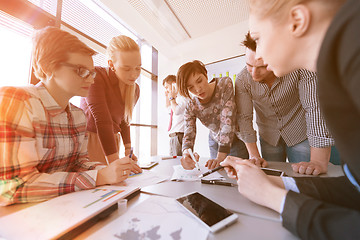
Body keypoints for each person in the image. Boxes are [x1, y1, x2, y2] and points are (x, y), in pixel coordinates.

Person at [221, 0, 360, 239]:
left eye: (259, 38)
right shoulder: (337, 62)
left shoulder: (351, 47)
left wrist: (271, 197)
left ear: (297, 21)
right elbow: (355, 190)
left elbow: (313, 109)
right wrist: (273, 184)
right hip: (269, 133)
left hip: (297, 131)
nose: (259, 54)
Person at [0, 27, 137, 206]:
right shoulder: (18, 101)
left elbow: (78, 164)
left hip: (62, 208)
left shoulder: (78, 116)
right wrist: (98, 177)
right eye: (81, 71)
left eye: (92, 72)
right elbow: (12, 188)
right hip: (21, 216)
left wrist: (110, 169)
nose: (91, 79)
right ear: (47, 68)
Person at [235, 32, 340, 175]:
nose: (254, 74)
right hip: (269, 136)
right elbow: (244, 118)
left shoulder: (300, 67)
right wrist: (254, 155)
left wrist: (318, 161)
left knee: (306, 177)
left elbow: (314, 108)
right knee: (273, 176)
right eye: (249, 65)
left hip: (300, 133)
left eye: (262, 67)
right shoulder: (242, 80)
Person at [80, 35, 142, 168]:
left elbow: (125, 120)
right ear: (111, 64)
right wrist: (115, 164)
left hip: (112, 139)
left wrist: (128, 150)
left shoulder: (135, 89)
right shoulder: (95, 76)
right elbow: (102, 120)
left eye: (138, 68)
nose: (134, 75)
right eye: (127, 69)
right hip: (91, 138)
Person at [177, 60, 248, 170]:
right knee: (218, 176)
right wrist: (187, 153)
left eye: (199, 81)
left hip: (236, 139)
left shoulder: (224, 84)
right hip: (214, 141)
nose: (197, 89)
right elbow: (188, 133)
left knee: (241, 175)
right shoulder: (191, 106)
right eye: (190, 87)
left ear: (205, 74)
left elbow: (227, 121)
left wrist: (220, 158)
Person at [163, 75, 187, 156]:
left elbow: (176, 111)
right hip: (174, 136)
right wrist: (168, 97)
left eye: (167, 87)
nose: (166, 90)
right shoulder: (175, 99)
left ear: (174, 84)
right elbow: (169, 110)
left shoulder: (183, 97)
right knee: (172, 162)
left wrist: (171, 99)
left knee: (178, 163)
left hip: (179, 135)